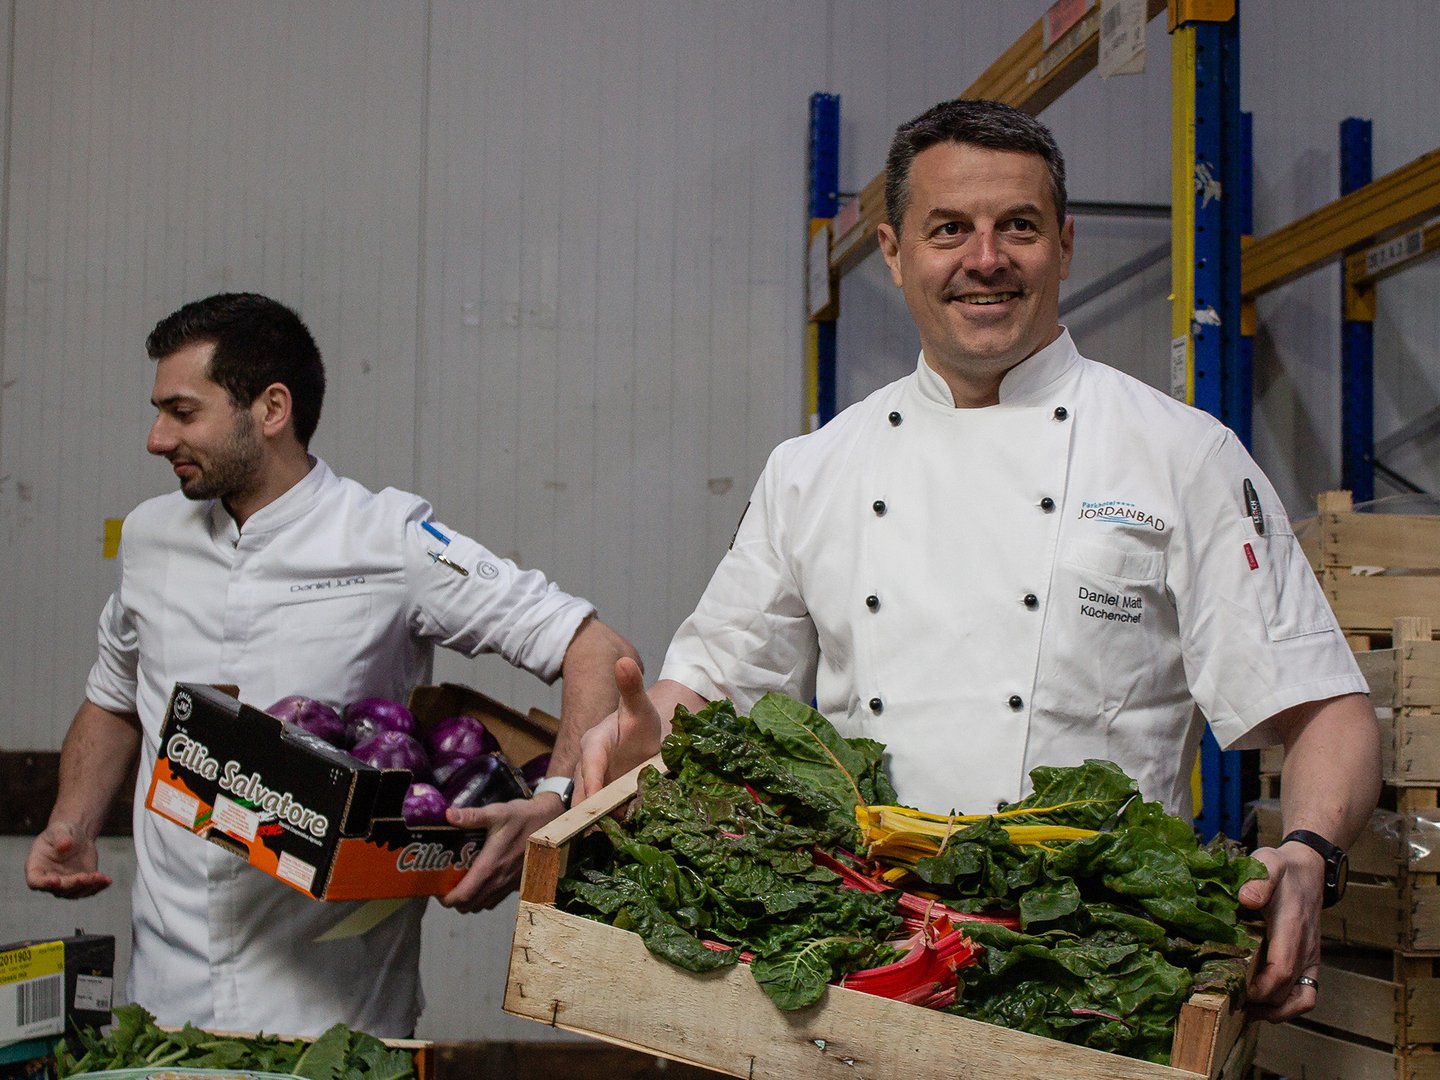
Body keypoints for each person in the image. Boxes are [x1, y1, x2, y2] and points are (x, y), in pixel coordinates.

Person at [576, 98, 1381, 1023]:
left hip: (1092, 971)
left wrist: (1311, 851)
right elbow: (705, 694)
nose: (985, 259)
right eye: (949, 228)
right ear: (893, 252)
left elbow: (1328, 710)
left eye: (1019, 228)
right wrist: (645, 742)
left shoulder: (1180, 456)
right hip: (860, 957)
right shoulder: (813, 471)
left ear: (1066, 246)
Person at [26, 292, 639, 1037]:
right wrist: (72, 821)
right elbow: (115, 695)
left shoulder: (390, 541)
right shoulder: (152, 537)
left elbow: (596, 652)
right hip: (164, 999)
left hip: (337, 1019)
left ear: (271, 408)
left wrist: (551, 809)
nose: (157, 438)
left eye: (182, 412)